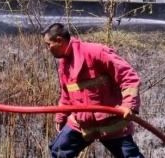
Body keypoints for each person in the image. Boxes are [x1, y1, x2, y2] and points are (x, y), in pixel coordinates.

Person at [43, 23, 145, 158]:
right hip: (82, 123)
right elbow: (67, 94)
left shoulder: (96, 52)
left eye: (48, 44)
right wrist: (61, 116)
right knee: (59, 150)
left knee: (129, 156)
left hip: (110, 122)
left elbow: (128, 76)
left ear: (59, 40)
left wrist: (129, 105)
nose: (48, 49)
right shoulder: (64, 64)